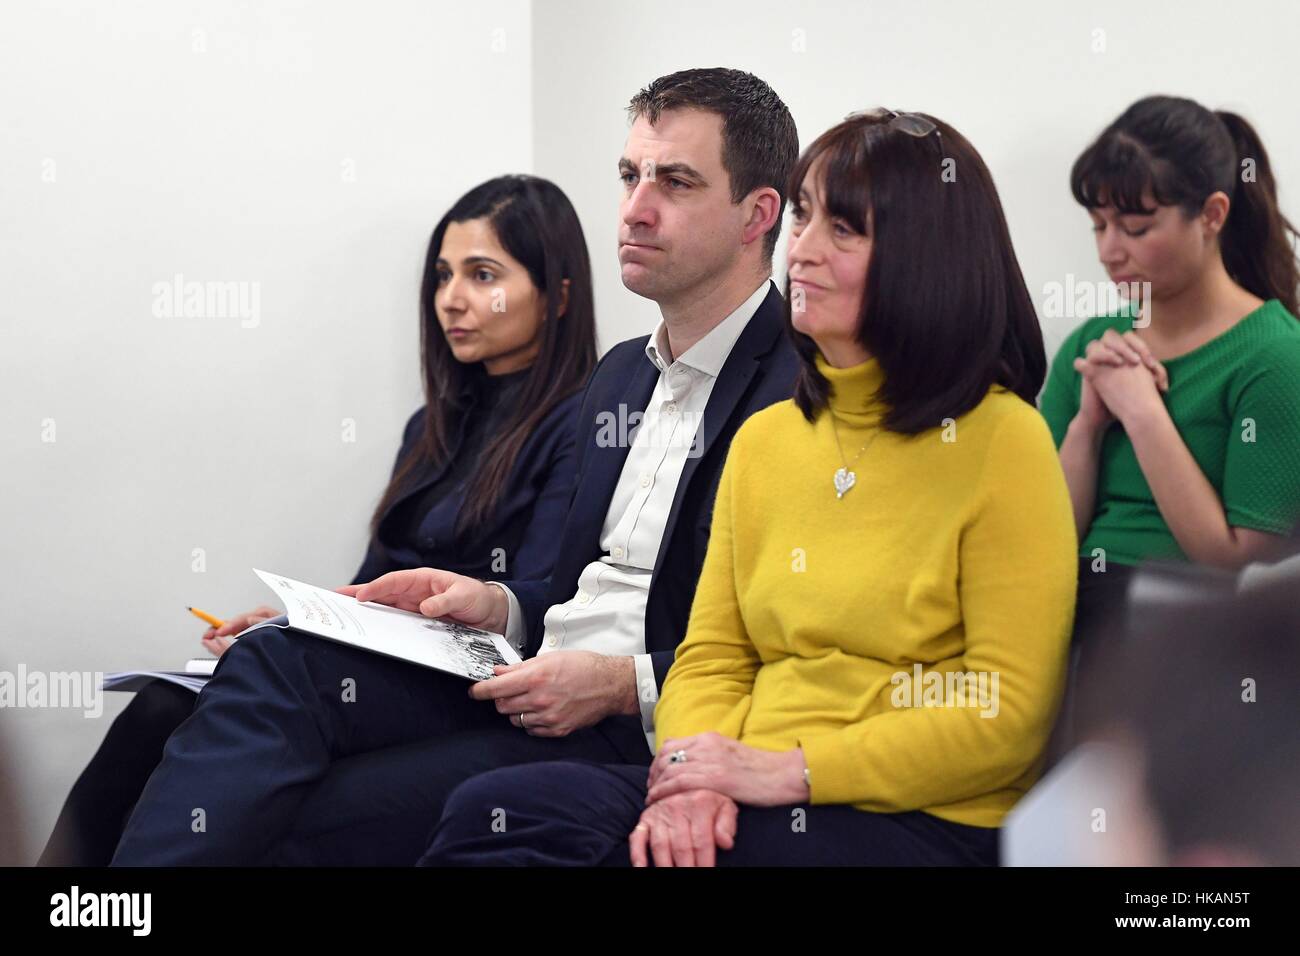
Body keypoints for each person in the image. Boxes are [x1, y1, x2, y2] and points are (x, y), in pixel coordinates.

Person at [111, 67, 802, 866]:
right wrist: (495, 602)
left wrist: (623, 684)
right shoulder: (621, 375)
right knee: (274, 661)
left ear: (758, 215)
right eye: (629, 175)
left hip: (631, 726)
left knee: (300, 811)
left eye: (675, 182)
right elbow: (575, 590)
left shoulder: (800, 387)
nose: (636, 208)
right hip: (530, 679)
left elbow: (795, 645)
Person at [419, 108, 1078, 867]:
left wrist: (786, 771)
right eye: (803, 218)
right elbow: (712, 658)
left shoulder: (1005, 441)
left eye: (844, 230)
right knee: (492, 811)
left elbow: (1004, 712)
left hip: (911, 814)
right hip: (741, 781)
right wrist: (687, 777)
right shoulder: (769, 437)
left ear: (926, 260)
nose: (801, 251)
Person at [40, 173, 596, 865]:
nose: (451, 299)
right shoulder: (433, 426)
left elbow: (543, 601)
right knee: (160, 702)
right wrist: (297, 618)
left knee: (245, 722)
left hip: (468, 686)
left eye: (483, 275)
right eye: (443, 274)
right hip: (383, 668)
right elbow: (370, 585)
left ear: (560, 294)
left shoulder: (581, 423)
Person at [1040, 95, 1300, 652]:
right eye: (1099, 226)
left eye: (1134, 228)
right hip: (1067, 597)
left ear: (1212, 216)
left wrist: (1141, 412)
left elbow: (1237, 562)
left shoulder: (1275, 358)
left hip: (1188, 623)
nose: (1110, 251)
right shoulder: (1093, 345)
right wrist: (1087, 426)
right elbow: (1045, 541)